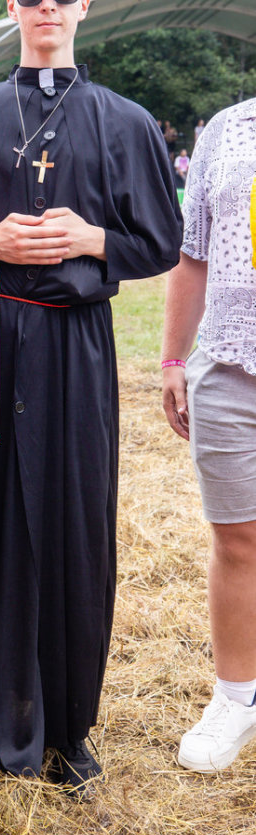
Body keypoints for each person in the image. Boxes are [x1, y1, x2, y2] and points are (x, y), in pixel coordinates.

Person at [0, 0, 183, 794]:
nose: (47, 4)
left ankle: (70, 726)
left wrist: (95, 238)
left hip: (78, 348)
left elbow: (160, 239)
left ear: (84, 2)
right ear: (12, 4)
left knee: (77, 530)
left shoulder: (125, 122)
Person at [162, 96, 256, 773]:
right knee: (238, 537)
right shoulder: (225, 130)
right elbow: (192, 255)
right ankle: (236, 697)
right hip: (228, 364)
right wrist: (172, 359)